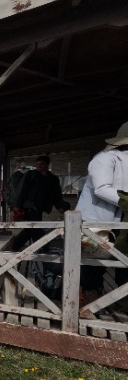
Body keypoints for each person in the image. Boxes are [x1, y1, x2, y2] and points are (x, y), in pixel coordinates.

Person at [76, 122, 128, 301]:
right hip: (96, 221)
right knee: (93, 262)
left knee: (122, 262)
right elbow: (101, 188)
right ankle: (92, 302)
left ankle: (118, 300)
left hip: (120, 221)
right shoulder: (105, 158)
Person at [11, 155, 70, 251]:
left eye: (42, 164)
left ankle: (17, 246)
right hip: (29, 206)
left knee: (31, 229)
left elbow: (56, 195)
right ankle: (42, 249)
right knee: (35, 228)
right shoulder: (31, 175)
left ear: (47, 165)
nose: (39, 166)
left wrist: (60, 206)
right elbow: (22, 190)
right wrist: (17, 205)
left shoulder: (53, 179)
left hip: (40, 208)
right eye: (37, 164)